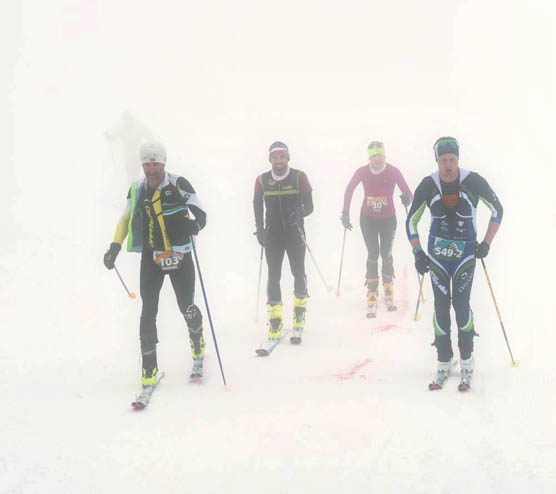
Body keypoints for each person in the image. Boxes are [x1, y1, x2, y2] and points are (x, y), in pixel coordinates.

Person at [103, 141, 207, 386]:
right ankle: (149, 370)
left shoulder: (179, 183)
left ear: (164, 163)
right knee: (148, 310)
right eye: (147, 164)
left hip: (180, 254)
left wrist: (196, 225)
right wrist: (114, 248)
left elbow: (201, 213)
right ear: (142, 165)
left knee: (187, 307)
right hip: (152, 257)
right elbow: (125, 218)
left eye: (156, 164)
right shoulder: (137, 189)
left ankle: (197, 344)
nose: (152, 169)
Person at [405, 137, 503, 390]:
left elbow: (498, 210)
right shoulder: (428, 185)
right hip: (437, 257)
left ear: (458, 159)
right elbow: (410, 222)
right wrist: (418, 253)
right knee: (440, 307)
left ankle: (467, 358)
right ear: (436, 160)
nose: (448, 165)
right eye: (443, 160)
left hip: (464, 255)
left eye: (452, 159)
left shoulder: (473, 181)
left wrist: (486, 243)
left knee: (461, 305)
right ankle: (444, 359)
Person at [341, 141, 413, 318]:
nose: (377, 159)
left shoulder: (393, 171)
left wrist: (406, 199)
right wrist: (345, 212)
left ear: (384, 155)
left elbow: (408, 192)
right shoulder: (362, 171)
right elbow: (349, 189)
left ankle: (388, 289)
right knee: (373, 254)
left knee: (386, 254)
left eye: (379, 155)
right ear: (369, 158)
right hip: (368, 219)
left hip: (388, 220)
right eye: (373, 156)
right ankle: (372, 291)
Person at [253, 141, 314, 343]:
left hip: (294, 233)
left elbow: (310, 206)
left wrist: (300, 212)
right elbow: (257, 206)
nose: (279, 161)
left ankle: (299, 311)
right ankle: (275, 318)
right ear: (270, 159)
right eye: (275, 157)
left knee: (298, 271)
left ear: (288, 158)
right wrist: (260, 230)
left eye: (282, 157)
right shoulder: (262, 180)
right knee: (274, 275)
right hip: (273, 235)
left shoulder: (299, 177)